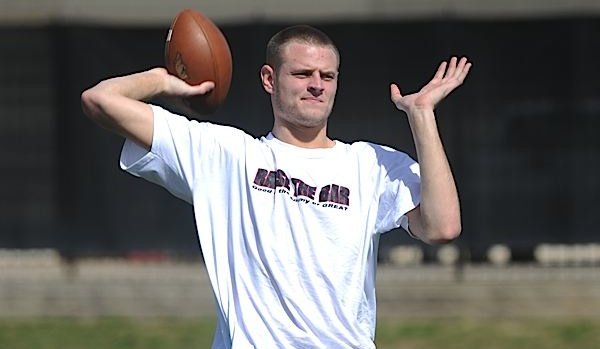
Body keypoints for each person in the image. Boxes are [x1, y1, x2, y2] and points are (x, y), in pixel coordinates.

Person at [81, 24, 470, 349]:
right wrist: (164, 80)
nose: (317, 85)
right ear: (269, 79)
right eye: (302, 74)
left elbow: (442, 227)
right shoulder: (227, 155)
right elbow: (100, 100)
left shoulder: (369, 164)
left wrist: (421, 116)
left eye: (327, 76)